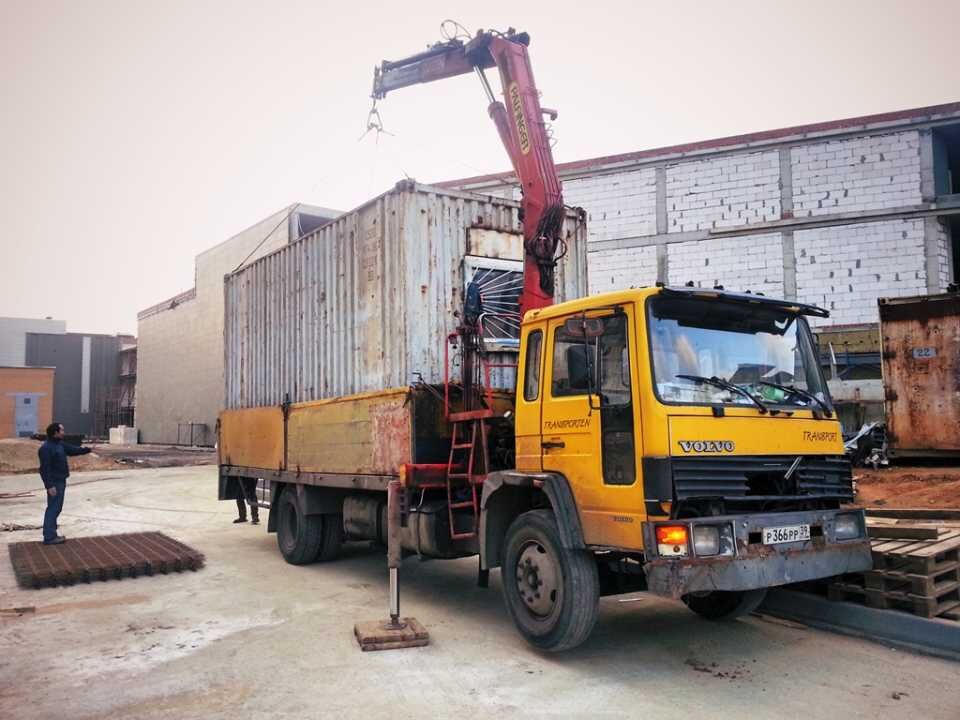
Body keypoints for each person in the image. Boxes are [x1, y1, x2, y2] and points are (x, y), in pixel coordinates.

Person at [38, 422, 91, 545]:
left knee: (56, 508)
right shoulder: (46, 448)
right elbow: (44, 469)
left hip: (61, 480)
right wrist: (49, 486)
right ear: (55, 432)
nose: (64, 432)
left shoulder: (59, 444)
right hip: (55, 483)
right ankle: (49, 536)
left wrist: (88, 449)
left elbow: (73, 450)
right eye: (62, 430)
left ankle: (51, 534)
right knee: (53, 508)